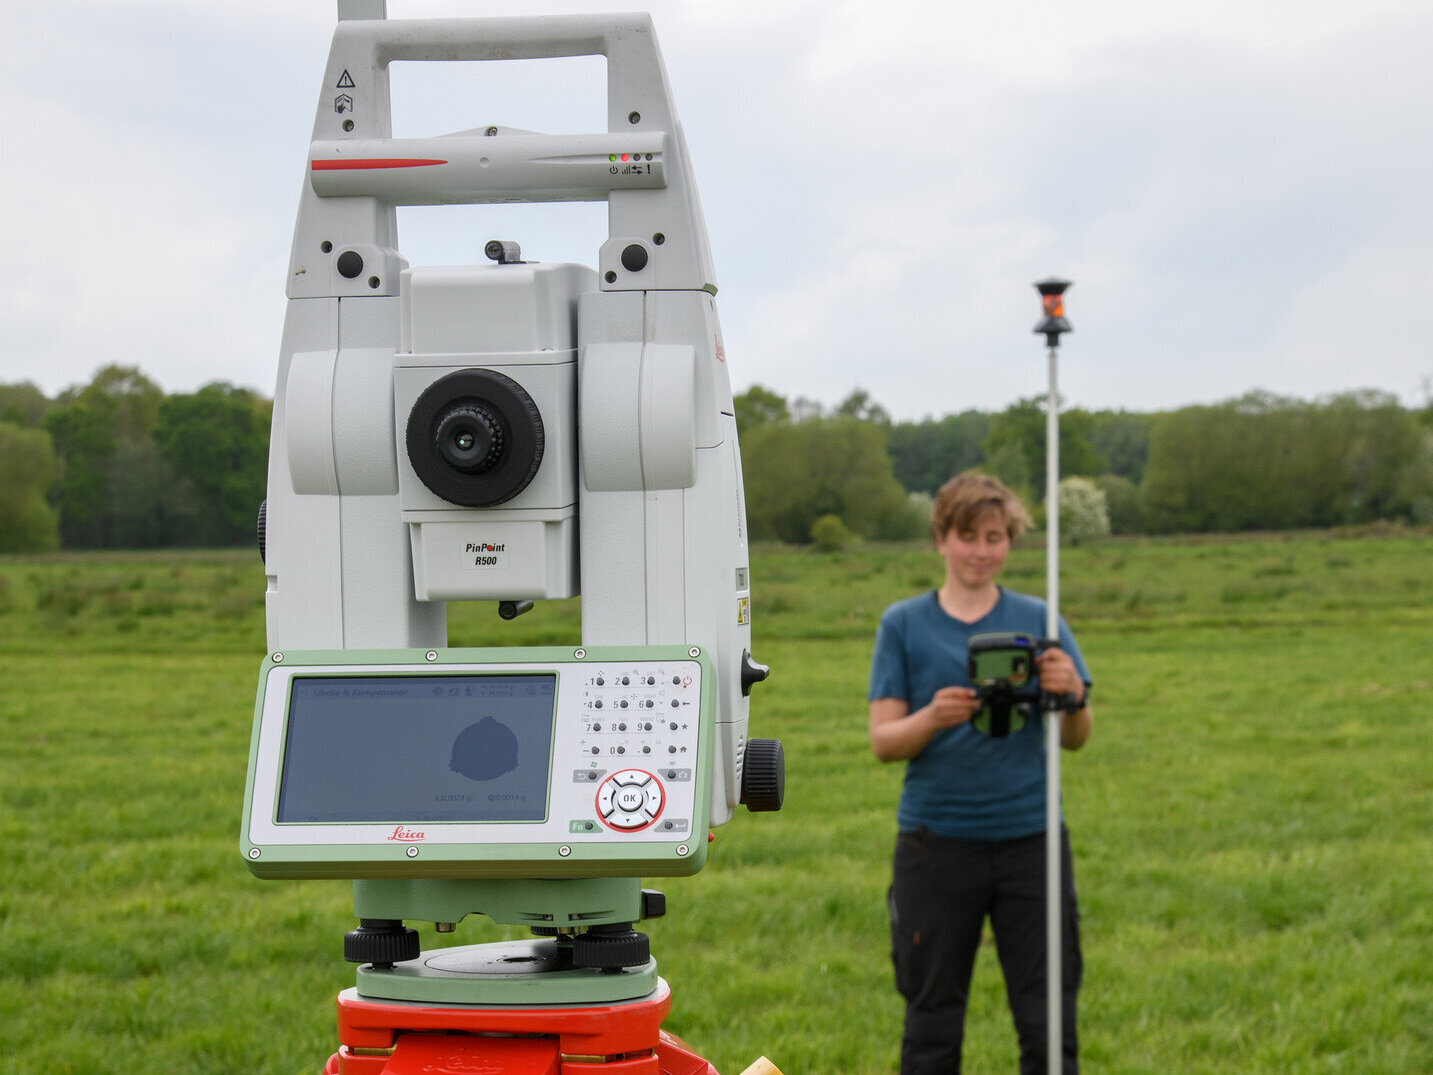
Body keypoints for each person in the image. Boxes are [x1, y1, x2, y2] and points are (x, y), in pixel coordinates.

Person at [868, 472, 1093, 1075]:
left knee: (1048, 1019)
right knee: (932, 1018)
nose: (982, 550)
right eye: (968, 536)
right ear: (941, 538)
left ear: (1010, 543)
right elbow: (884, 742)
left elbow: (1076, 739)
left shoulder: (1041, 616)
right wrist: (933, 719)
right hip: (936, 846)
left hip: (1033, 844)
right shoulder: (903, 624)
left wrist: (1072, 695)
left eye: (995, 537)